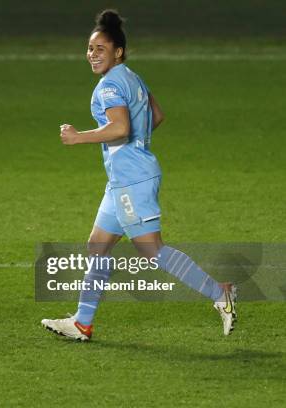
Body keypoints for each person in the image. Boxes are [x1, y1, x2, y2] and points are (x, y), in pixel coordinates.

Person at [41, 10, 236, 341]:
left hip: (132, 181)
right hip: (124, 180)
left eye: (100, 48)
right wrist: (137, 147)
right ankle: (81, 323)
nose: (92, 54)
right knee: (97, 246)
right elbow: (156, 115)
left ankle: (221, 293)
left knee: (152, 250)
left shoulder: (109, 86)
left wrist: (78, 137)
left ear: (117, 51)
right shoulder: (132, 77)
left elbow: (120, 127)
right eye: (90, 48)